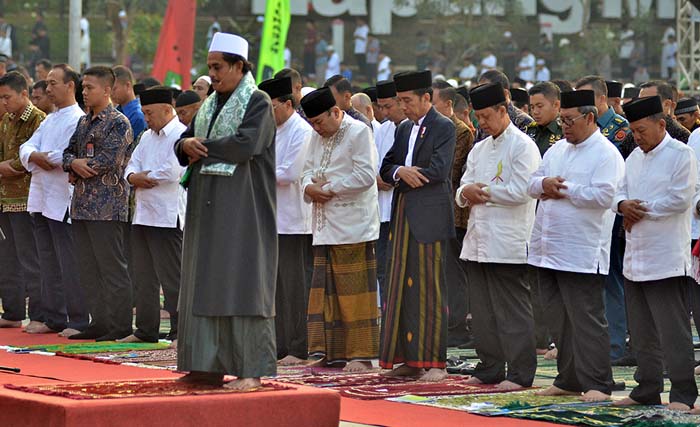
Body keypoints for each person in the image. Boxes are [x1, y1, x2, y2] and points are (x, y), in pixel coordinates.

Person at [173, 33, 277, 390]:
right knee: (204, 284)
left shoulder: (258, 102)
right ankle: (206, 364)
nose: (212, 74)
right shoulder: (210, 104)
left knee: (242, 285)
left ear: (238, 66)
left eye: (218, 67)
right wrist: (184, 143)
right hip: (206, 209)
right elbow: (184, 140)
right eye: (210, 67)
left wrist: (199, 147)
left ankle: (251, 371)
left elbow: (246, 145)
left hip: (243, 211)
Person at [529, 89, 623, 402]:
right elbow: (532, 182)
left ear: (590, 118)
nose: (565, 127)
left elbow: (605, 197)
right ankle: (568, 378)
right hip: (547, 250)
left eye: (570, 120)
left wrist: (563, 189)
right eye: (563, 120)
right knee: (558, 320)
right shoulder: (556, 151)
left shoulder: (606, 154)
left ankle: (599, 382)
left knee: (586, 321)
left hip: (582, 253)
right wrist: (544, 184)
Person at [613, 95, 698, 411]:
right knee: (642, 332)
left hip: (666, 258)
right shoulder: (634, 157)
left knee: (673, 331)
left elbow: (679, 199)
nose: (637, 137)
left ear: (662, 124)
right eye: (633, 131)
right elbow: (618, 192)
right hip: (635, 258)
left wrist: (639, 210)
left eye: (642, 130)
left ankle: (683, 395)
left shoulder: (681, 155)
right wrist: (623, 205)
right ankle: (647, 388)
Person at [456, 82, 540, 390]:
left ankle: (520, 372)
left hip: (508, 241)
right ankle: (490, 366)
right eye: (477, 116)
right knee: (482, 311)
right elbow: (462, 187)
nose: (481, 122)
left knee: (512, 311)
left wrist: (484, 192)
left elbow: (523, 190)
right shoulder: (479, 148)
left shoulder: (522, 146)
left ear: (503, 110)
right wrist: (466, 192)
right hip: (477, 240)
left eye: (486, 116)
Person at [379, 70, 456, 382]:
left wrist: (409, 174)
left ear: (427, 98)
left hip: (429, 218)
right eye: (400, 101)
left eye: (407, 101)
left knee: (429, 290)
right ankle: (409, 359)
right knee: (400, 288)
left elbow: (439, 169)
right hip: (403, 214)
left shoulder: (444, 126)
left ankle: (434, 362)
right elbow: (387, 166)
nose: (404, 107)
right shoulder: (404, 129)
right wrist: (400, 171)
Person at [299, 87, 379, 372]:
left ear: (336, 112)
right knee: (327, 294)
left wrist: (329, 189)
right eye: (312, 123)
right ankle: (332, 352)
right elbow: (305, 170)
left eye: (319, 122)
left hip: (353, 225)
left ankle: (360, 355)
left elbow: (366, 175)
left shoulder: (358, 132)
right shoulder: (315, 135)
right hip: (324, 224)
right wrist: (309, 187)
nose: (316, 128)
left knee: (353, 294)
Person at [62, 66, 133, 341]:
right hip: (81, 204)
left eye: (89, 87)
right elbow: (67, 153)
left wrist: (76, 165)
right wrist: (74, 163)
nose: (84, 92)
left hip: (107, 206)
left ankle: (120, 325)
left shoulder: (118, 122)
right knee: (88, 268)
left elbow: (108, 162)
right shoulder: (83, 122)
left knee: (112, 268)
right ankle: (99, 322)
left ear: (107, 90)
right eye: (83, 87)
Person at [19, 64, 87, 337]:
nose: (47, 89)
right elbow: (28, 148)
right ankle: (54, 317)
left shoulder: (77, 119)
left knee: (67, 263)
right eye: (46, 84)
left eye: (52, 83)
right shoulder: (50, 119)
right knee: (46, 261)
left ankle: (78, 318)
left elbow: (62, 157)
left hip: (62, 200)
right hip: (41, 197)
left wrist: (41, 157)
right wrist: (36, 158)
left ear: (70, 86)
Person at [118, 87, 186, 344]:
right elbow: (130, 166)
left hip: (167, 215)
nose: (146, 118)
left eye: (149, 113)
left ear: (167, 110)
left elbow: (173, 171)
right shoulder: (146, 136)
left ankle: (180, 330)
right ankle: (145, 330)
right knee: (143, 276)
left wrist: (143, 177)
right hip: (143, 213)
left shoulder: (181, 134)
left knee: (172, 278)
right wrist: (134, 177)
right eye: (144, 113)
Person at [574, 75, 630, 363]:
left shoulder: (621, 130)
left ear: (600, 99)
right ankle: (595, 343)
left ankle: (615, 345)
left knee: (612, 281)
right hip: (582, 218)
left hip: (613, 216)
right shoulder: (578, 131)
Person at [259, 76, 313, 366]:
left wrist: (258, 172)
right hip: (271, 220)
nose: (268, 112)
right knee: (275, 288)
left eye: (272, 106)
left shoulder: (301, 131)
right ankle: (279, 345)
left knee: (294, 287)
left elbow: (289, 173)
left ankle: (298, 346)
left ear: (288, 104)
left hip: (294, 221)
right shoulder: (270, 129)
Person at [0, 72, 45, 330]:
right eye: (1, 98)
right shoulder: (6, 121)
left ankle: (38, 314)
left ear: (24, 94)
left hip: (27, 198)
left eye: (7, 97)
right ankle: (12, 311)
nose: (4, 102)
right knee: (7, 259)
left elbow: (31, 159)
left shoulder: (38, 120)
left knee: (30, 259)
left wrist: (10, 166)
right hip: (5, 198)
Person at [432, 81, 474, 347]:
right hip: (439, 209)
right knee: (445, 272)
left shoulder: (460, 131)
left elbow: (451, 169)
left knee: (455, 273)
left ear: (447, 104)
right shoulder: (432, 128)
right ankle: (449, 322)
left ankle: (458, 326)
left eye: (433, 102)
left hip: (456, 211)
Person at [374, 80, 407, 302]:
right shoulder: (381, 130)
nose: (384, 112)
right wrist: (377, 178)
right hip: (381, 213)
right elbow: (372, 166)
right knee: (383, 269)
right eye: (381, 107)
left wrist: (393, 176)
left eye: (388, 106)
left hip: (405, 212)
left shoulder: (414, 129)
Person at [475, 70, 534, 141]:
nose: (482, 97)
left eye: (487, 92)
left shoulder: (524, 122)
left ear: (504, 93)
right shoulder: (483, 121)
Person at [526, 81, 563, 156]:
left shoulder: (564, 130)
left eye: (540, 106)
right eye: (532, 107)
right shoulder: (529, 130)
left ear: (556, 105)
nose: (535, 112)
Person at [112, 65, 147, 140]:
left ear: (128, 86)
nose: (111, 93)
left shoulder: (137, 116)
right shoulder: (116, 111)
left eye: (114, 89)